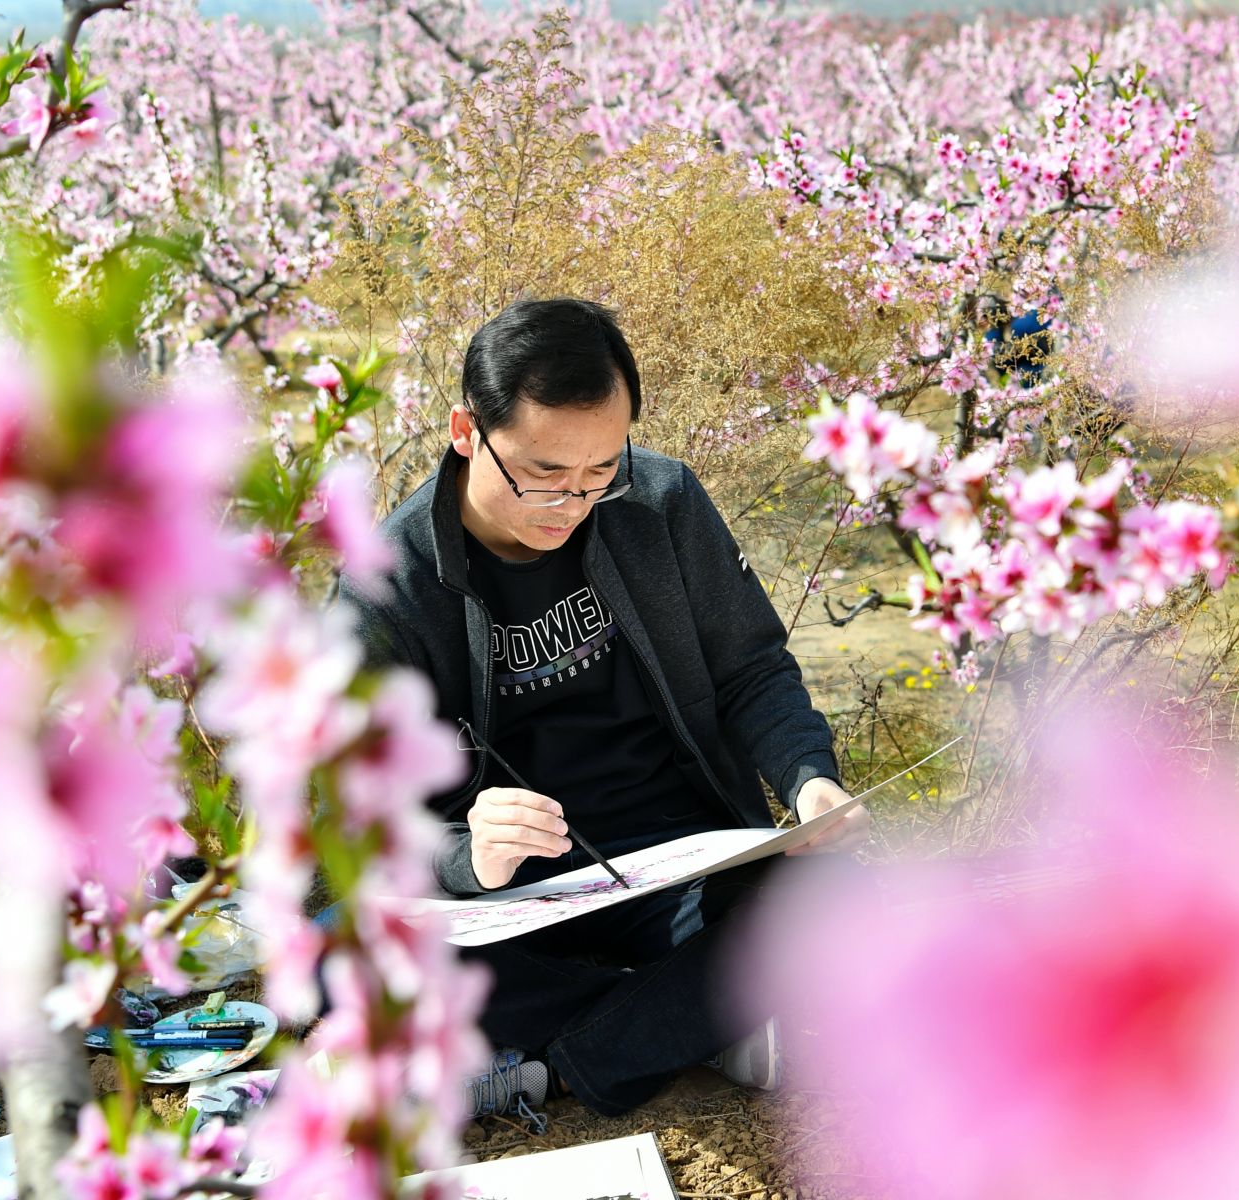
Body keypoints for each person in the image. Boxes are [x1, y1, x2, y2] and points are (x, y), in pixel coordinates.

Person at [339, 297, 866, 1118]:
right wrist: (467, 857)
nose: (572, 504)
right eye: (544, 475)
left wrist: (807, 782)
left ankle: (563, 1060)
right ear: (466, 430)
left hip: (684, 866)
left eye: (599, 472)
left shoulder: (658, 502)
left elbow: (751, 669)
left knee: (837, 891)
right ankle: (704, 1018)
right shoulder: (387, 591)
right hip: (514, 902)